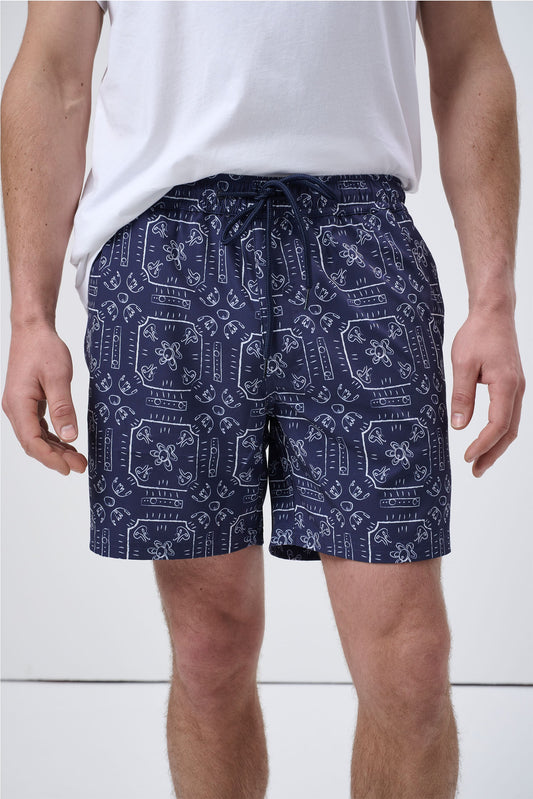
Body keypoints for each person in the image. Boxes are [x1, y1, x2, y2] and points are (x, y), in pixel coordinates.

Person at [1, 1, 525, 797]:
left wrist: (493, 298)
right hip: (167, 249)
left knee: (410, 664)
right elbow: (52, 73)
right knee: (209, 649)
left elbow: (468, 59)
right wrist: (30, 318)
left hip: (359, 238)